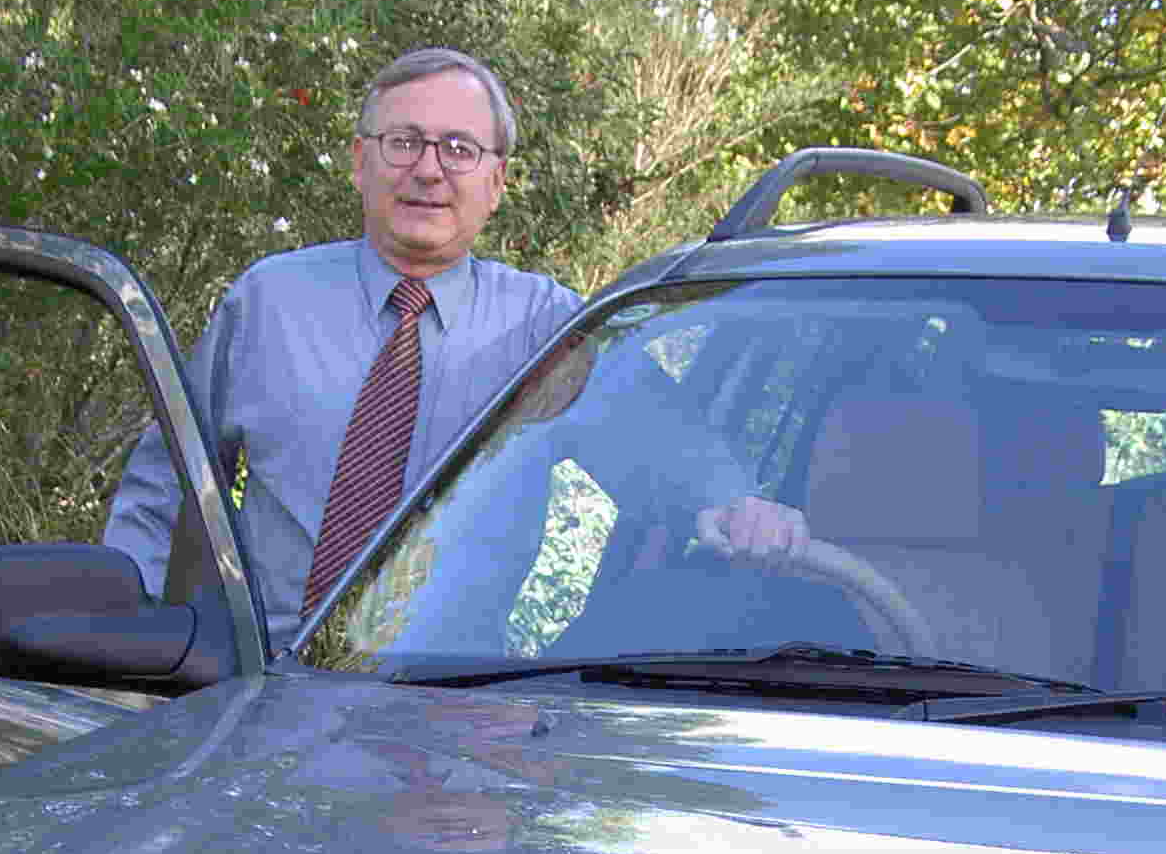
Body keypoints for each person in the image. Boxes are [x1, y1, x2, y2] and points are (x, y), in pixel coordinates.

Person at [105, 47, 808, 640]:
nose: (429, 169)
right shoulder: (266, 303)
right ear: (360, 161)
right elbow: (165, 486)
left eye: (459, 149)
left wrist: (736, 502)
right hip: (259, 681)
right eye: (403, 142)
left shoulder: (547, 326)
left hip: (451, 707)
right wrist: (114, 633)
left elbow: (661, 447)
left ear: (496, 182)